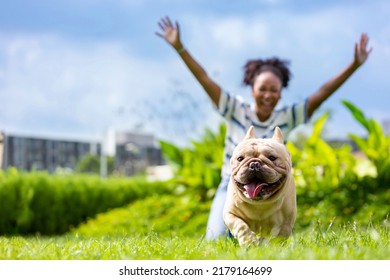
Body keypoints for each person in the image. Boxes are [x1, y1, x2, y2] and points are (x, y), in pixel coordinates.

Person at [156, 16, 372, 240]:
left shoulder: (287, 116)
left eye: (273, 90)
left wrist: (354, 65)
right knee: (216, 239)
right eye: (262, 89)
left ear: (281, 92)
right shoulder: (236, 109)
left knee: (272, 242)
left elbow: (322, 93)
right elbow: (204, 79)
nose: (268, 95)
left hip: (275, 187)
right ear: (252, 89)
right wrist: (180, 47)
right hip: (231, 183)